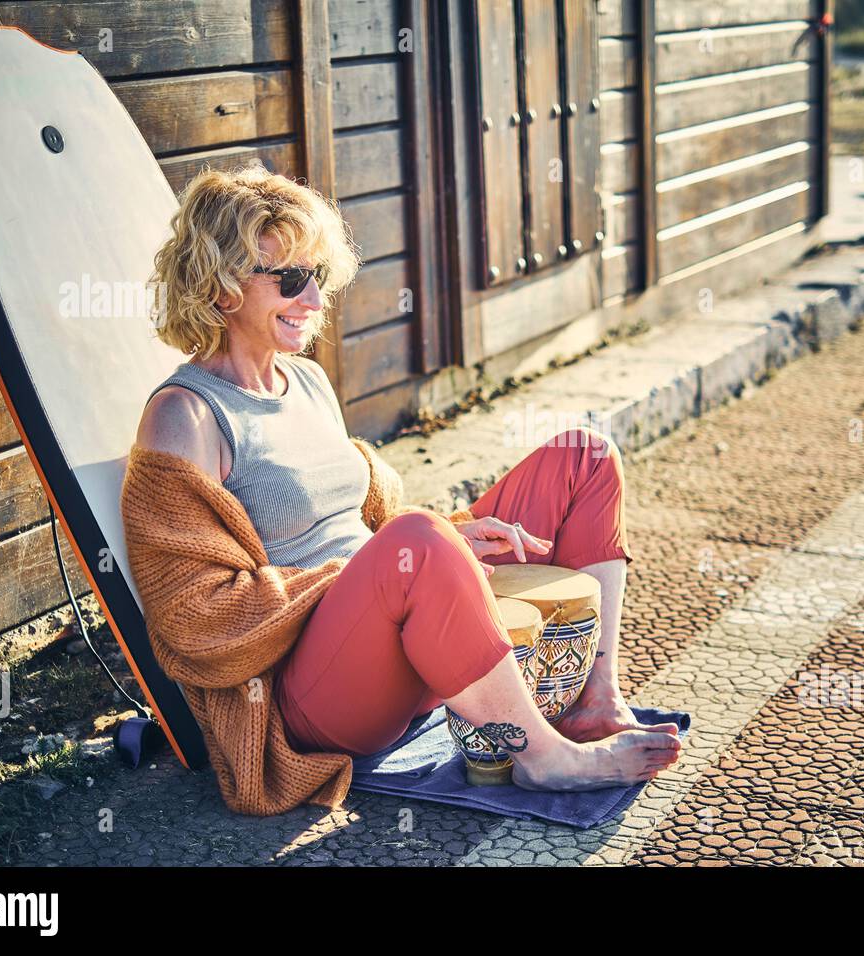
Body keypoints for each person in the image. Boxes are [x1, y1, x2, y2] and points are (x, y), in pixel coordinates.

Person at [128, 164, 680, 804]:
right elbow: (194, 619)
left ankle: (595, 698)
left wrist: (445, 541)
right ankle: (544, 757)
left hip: (397, 621)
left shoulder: (306, 381)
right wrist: (399, 558)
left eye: (320, 277)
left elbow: (381, 525)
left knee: (584, 456)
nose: (314, 300)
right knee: (420, 539)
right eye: (290, 279)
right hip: (315, 694)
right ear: (221, 287)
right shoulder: (183, 416)